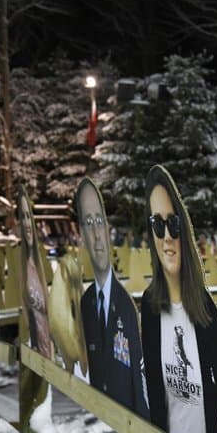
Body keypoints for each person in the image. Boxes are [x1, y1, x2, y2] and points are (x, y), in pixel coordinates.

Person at [140, 165, 217, 433]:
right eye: (158, 226)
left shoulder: (203, 309)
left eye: (173, 225)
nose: (167, 238)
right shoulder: (149, 304)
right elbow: (152, 381)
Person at [76, 179, 149, 418]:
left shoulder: (126, 304)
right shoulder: (86, 303)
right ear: (81, 235)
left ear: (108, 229)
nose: (97, 235)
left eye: (99, 222)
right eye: (89, 224)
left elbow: (138, 378)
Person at [19, 194, 53, 359]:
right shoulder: (23, 268)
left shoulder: (38, 264)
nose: (27, 224)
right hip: (36, 347)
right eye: (22, 217)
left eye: (28, 216)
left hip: (48, 343)